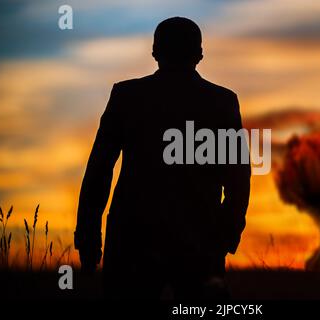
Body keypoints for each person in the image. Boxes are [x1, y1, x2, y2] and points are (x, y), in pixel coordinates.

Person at [74, 17, 251, 299]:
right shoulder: (221, 101)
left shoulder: (126, 96)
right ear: (200, 54)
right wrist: (226, 235)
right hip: (200, 239)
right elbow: (238, 177)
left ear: (155, 52)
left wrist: (87, 234)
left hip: (133, 238)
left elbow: (100, 167)